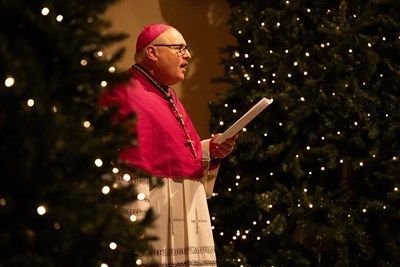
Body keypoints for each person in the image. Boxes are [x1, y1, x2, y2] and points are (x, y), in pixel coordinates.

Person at [101, 23, 236, 266]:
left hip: (187, 206)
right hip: (158, 210)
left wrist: (211, 150)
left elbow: (178, 152)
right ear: (152, 53)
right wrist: (132, 221)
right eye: (179, 48)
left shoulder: (168, 94)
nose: (188, 55)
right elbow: (126, 157)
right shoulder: (124, 91)